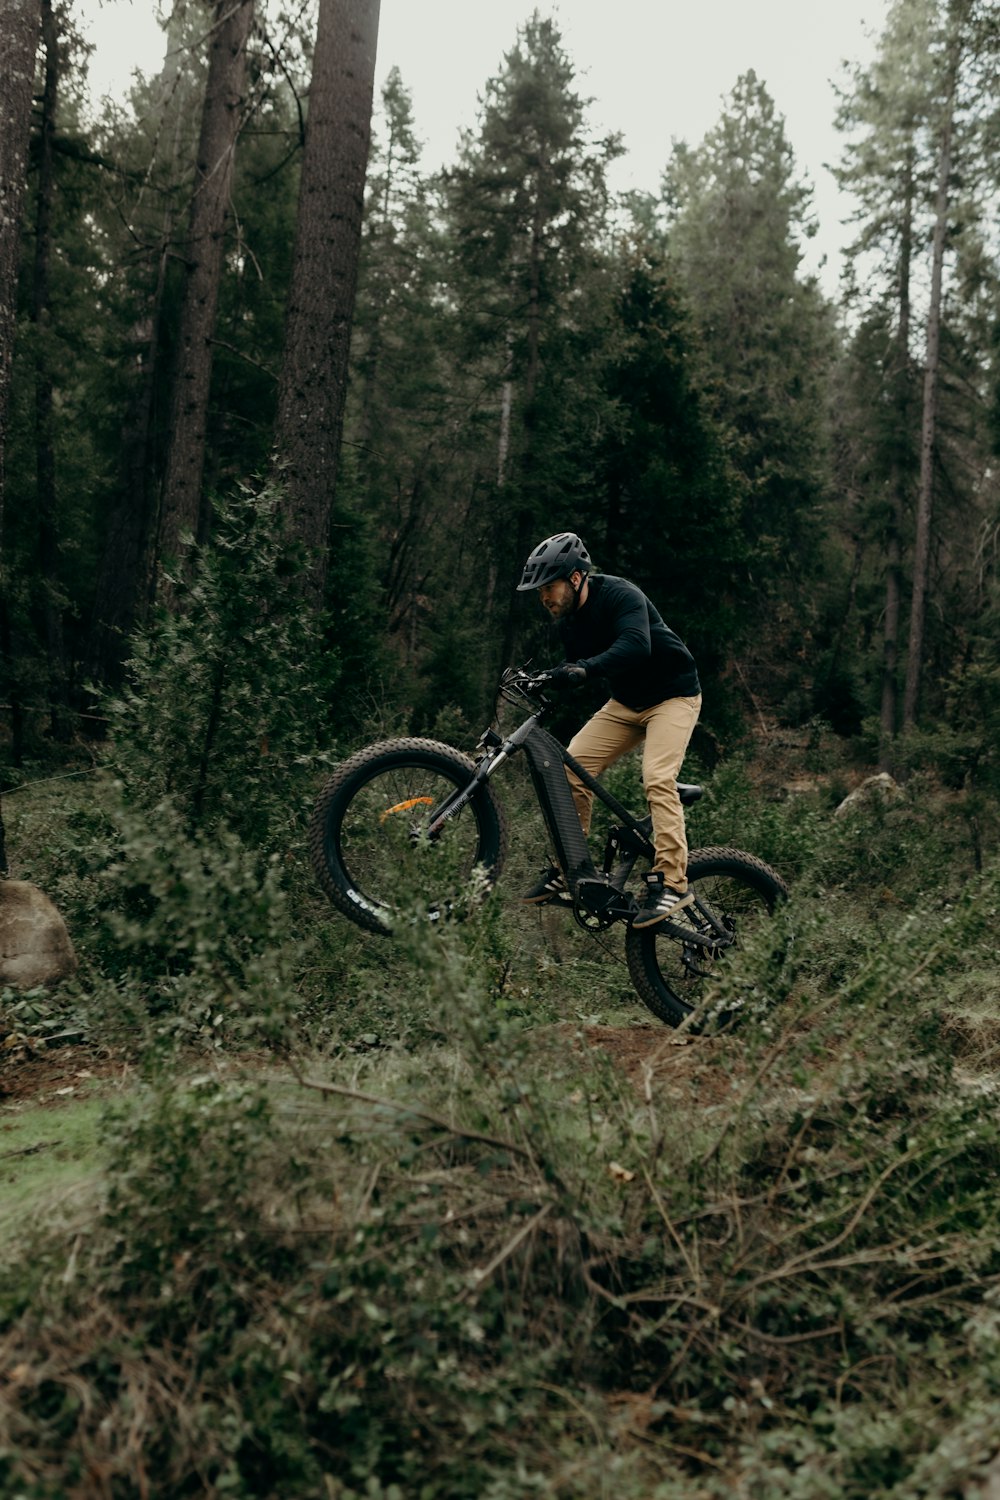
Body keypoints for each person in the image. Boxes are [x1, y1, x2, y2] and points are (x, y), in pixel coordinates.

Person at [516, 532, 702, 929]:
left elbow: (637, 646)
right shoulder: (568, 623)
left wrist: (586, 669)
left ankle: (673, 881)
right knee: (572, 768)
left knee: (656, 779)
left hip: (673, 698)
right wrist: (544, 679)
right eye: (539, 591)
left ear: (577, 578)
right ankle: (573, 870)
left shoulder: (621, 595)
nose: (544, 597)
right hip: (627, 705)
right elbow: (575, 669)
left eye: (549, 586)